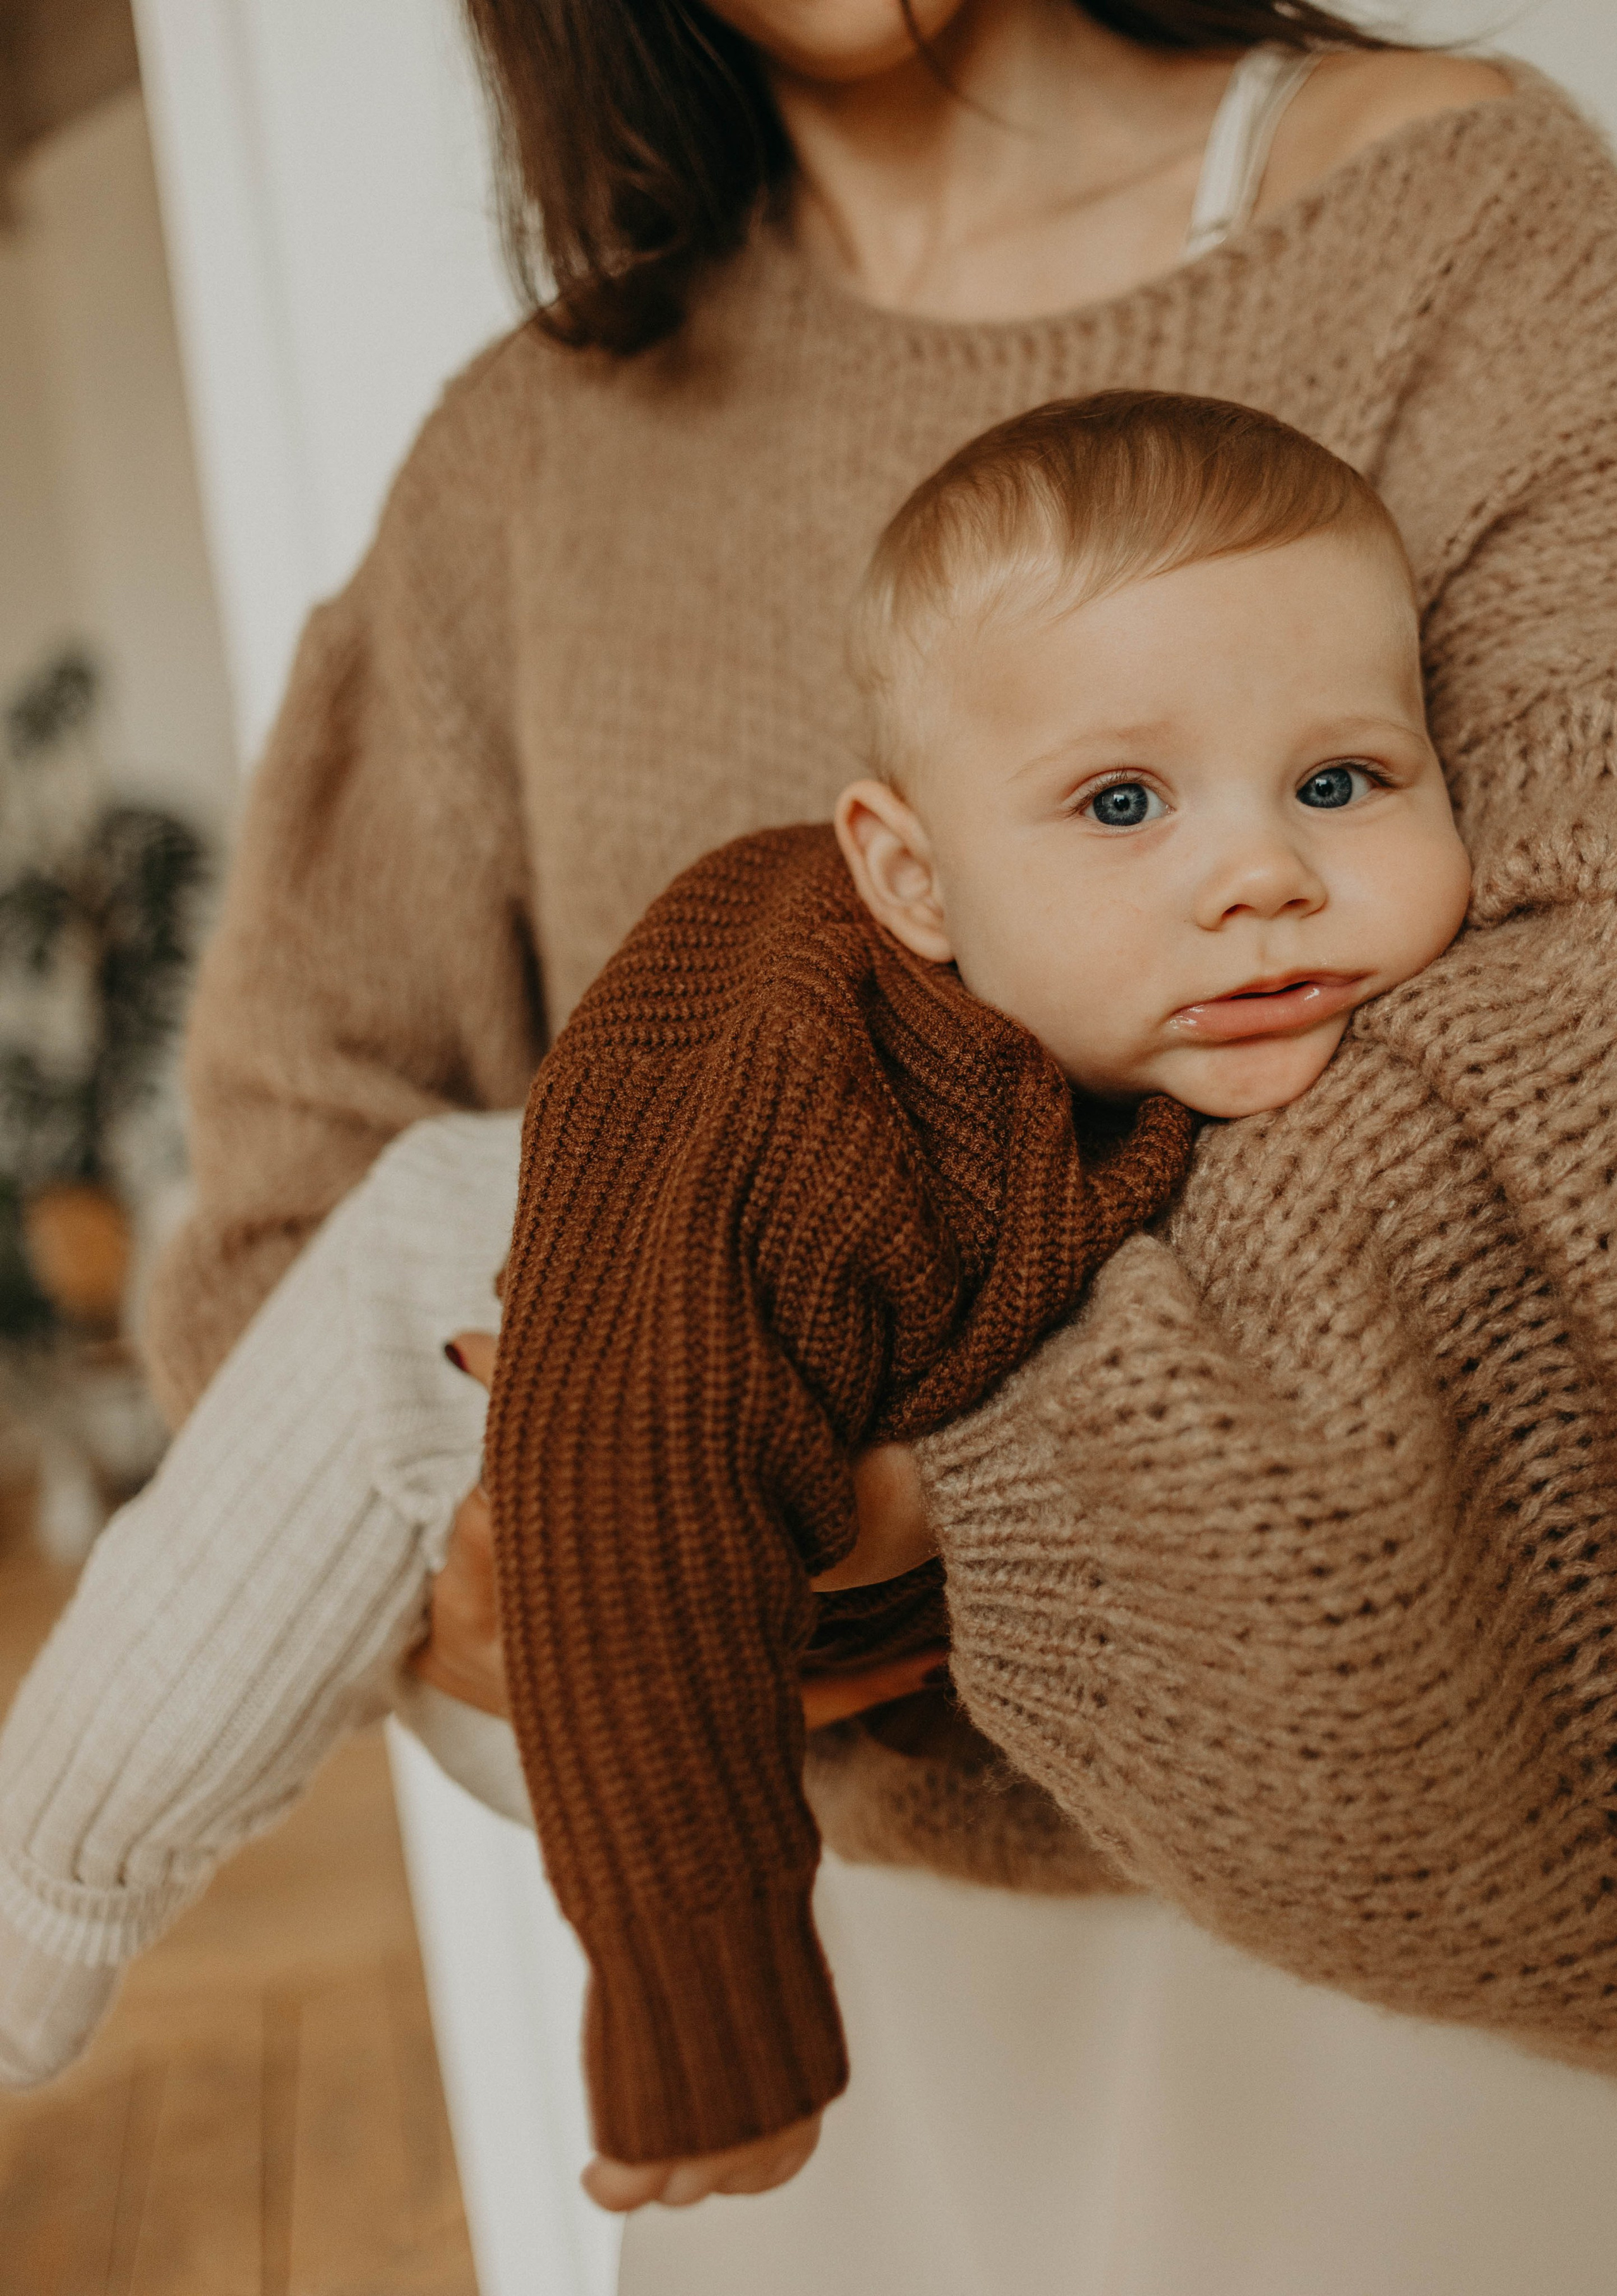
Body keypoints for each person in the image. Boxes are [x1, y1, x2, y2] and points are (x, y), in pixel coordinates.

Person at [91, 0, 1617, 2272]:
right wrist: (507, 1579)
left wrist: (876, 1500)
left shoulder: (1469, 230)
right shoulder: (531, 460)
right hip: (810, 2006)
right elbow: (302, 1184)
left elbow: (1557, 1088)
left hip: (1421, 1935)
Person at [0, 392, 1471, 2161]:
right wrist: (709, 2014)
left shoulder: (1175, 1033)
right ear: (912, 876)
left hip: (784, 1593)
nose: (1261, 874)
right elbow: (639, 1474)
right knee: (161, 1703)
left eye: (1340, 781)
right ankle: (34, 1917)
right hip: (485, 1405)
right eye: (1122, 801)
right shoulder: (790, 1047)